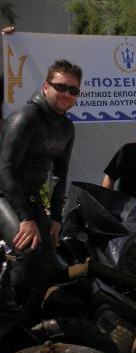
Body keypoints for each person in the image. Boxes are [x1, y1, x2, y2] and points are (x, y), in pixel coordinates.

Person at [0, 59, 81, 315]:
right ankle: (8, 320)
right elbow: (5, 170)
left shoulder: (66, 128)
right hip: (4, 195)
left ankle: (31, 318)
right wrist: (26, 219)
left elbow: (59, 175)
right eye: (61, 87)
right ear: (46, 87)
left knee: (49, 264)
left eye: (73, 90)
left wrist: (56, 218)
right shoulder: (27, 117)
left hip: (30, 198)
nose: (67, 94)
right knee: (25, 251)